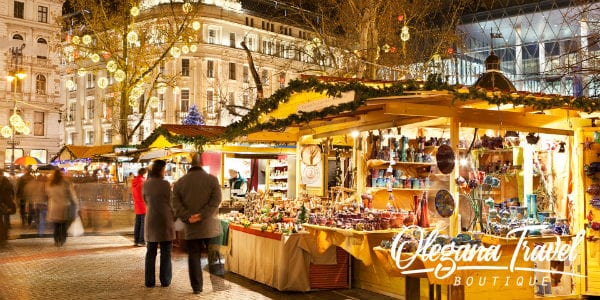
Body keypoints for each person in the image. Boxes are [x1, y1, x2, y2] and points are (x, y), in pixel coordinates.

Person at [173, 153, 222, 294]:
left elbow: (175, 204)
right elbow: (216, 200)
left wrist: (188, 217)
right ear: (201, 164)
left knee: (194, 257)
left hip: (191, 227)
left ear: (190, 165)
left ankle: (197, 287)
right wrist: (203, 214)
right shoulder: (212, 180)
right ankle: (217, 286)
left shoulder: (180, 183)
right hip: (210, 226)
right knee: (214, 255)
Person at [143, 160, 175, 288]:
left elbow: (145, 200)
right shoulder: (165, 184)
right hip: (164, 220)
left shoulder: (146, 185)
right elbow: (171, 202)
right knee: (166, 252)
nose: (165, 171)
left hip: (151, 220)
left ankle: (149, 281)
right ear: (160, 170)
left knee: (151, 252)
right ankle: (165, 280)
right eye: (164, 169)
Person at [46, 168, 77, 247]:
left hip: (53, 207)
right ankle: (62, 240)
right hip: (64, 206)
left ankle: (57, 240)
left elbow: (48, 194)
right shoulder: (65, 183)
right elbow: (71, 194)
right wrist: (74, 203)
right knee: (63, 225)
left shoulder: (50, 184)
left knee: (56, 226)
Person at [132, 167, 147, 247]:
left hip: (137, 205)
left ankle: (136, 240)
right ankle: (141, 241)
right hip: (143, 205)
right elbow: (145, 194)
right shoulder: (143, 182)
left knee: (137, 223)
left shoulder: (134, 181)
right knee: (143, 224)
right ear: (144, 173)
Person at [0, 173, 15, 247]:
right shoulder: (5, 183)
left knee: (2, 222)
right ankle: (3, 238)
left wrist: (10, 205)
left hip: (2, 205)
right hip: (3, 205)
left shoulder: (5, 184)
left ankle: (2, 238)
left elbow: (7, 195)